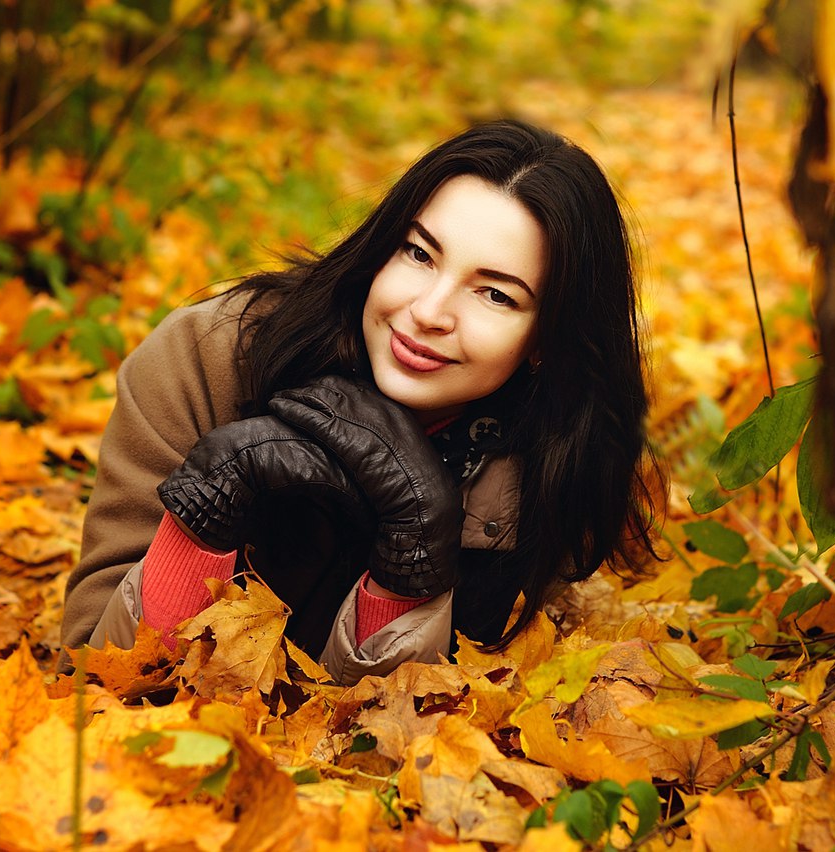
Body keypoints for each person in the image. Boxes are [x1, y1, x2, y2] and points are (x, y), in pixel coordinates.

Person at [60, 120, 660, 684]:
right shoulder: (205, 358)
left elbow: (413, 743)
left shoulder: (555, 459)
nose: (427, 312)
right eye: (418, 254)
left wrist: (412, 561)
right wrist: (208, 510)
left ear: (545, 342)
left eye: (496, 295)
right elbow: (95, 681)